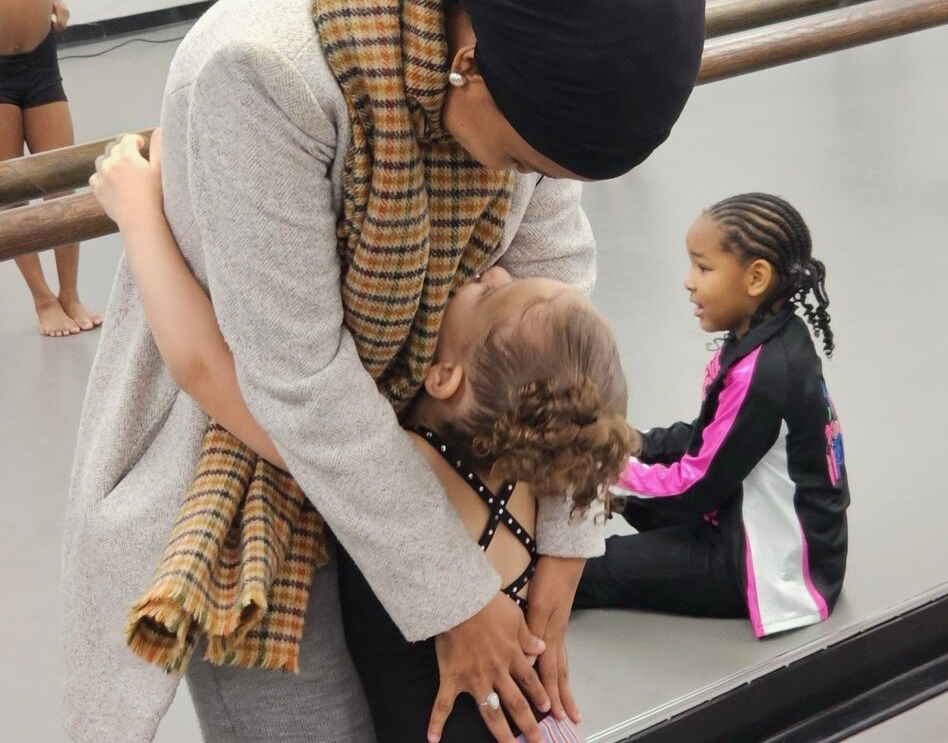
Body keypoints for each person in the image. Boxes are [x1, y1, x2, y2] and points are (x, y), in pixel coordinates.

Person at [62, 0, 705, 743]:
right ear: (470, 59)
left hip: (416, 447)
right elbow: (297, 380)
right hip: (252, 462)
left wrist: (566, 546)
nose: (523, 185)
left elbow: (556, 281)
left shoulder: (538, 52)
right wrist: (454, 591)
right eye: (524, 161)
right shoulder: (264, 73)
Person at [89, 128, 633, 742]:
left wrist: (136, 214)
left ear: (444, 375)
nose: (495, 268)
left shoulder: (402, 466)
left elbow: (196, 360)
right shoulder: (535, 470)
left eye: (486, 289)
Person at [575, 193, 850, 640]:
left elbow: (695, 487)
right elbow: (712, 437)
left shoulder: (765, 374)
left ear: (756, 277)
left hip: (763, 570)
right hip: (762, 532)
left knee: (587, 572)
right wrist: (634, 443)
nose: (688, 282)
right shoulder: (771, 338)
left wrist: (605, 478)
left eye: (703, 268)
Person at [0, 0, 102, 338]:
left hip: (41, 68)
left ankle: (70, 293)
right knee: (10, 191)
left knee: (61, 181)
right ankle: (42, 300)